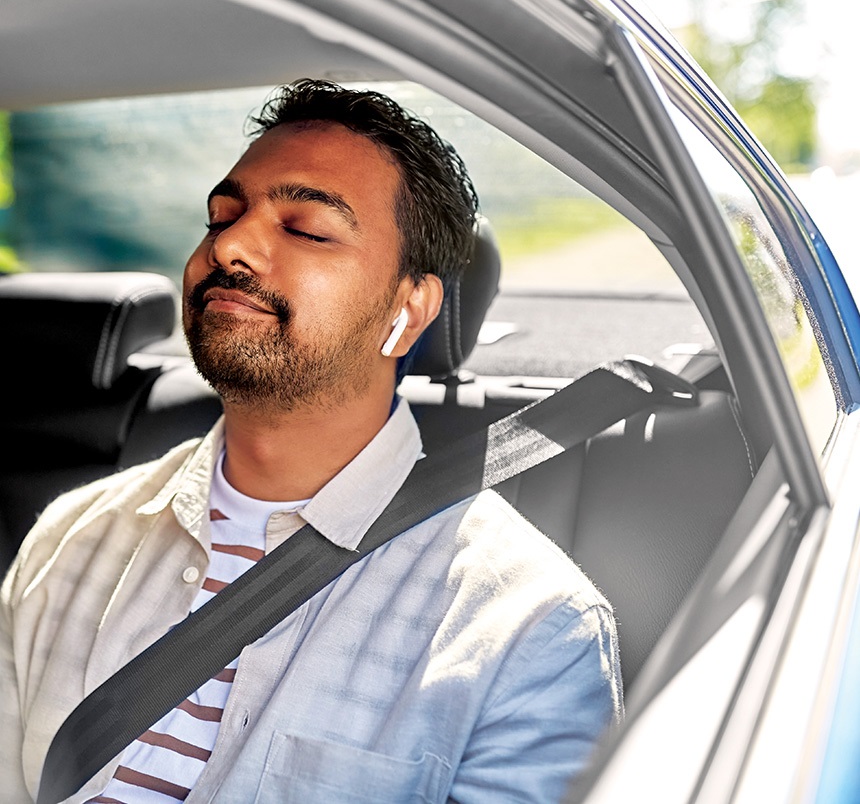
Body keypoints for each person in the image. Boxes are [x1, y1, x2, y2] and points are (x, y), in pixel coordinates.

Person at [0, 79, 623, 803]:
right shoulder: (71, 538)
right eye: (221, 217)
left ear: (409, 309)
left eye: (307, 230)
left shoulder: (529, 628)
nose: (230, 244)